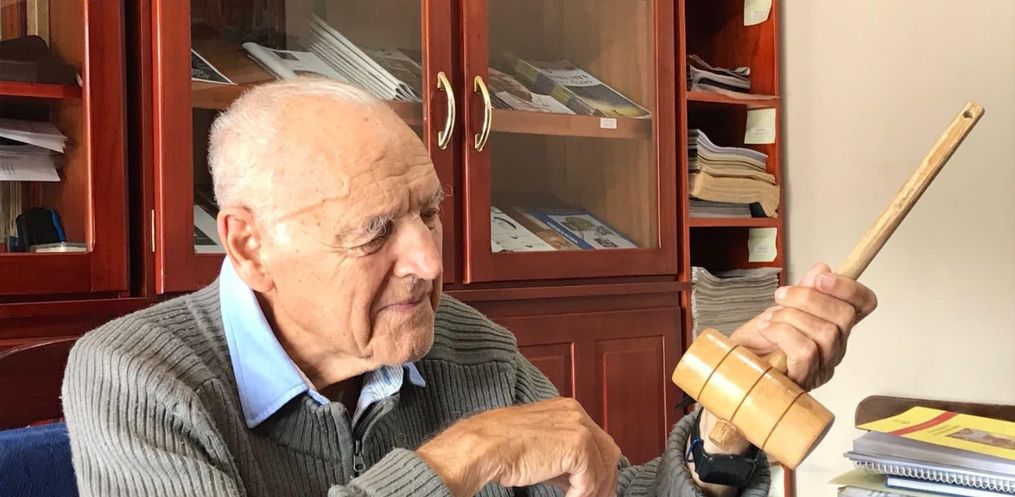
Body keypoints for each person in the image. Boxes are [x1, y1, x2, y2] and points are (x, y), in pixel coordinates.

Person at [62, 79, 877, 497]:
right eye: (374, 231)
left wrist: (725, 430)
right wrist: (462, 456)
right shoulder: (136, 375)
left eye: (429, 212)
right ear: (249, 243)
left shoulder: (468, 344)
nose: (428, 260)